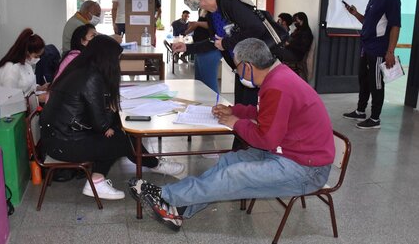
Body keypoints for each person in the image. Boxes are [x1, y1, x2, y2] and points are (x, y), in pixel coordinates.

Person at [128, 38, 335, 230]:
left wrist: (236, 124)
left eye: (237, 69)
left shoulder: (278, 86)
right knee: (229, 161)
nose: (238, 73)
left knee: (233, 174)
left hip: (307, 169)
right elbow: (265, 115)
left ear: (247, 66)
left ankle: (165, 196)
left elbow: (265, 139)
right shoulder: (277, 77)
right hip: (287, 152)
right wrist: (234, 111)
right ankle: (178, 210)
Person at [40, 35, 184, 200]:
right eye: (117, 57)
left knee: (118, 131)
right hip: (63, 144)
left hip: (58, 137)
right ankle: (101, 180)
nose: (117, 61)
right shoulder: (91, 77)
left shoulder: (80, 69)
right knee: (120, 139)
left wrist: (109, 114)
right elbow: (101, 123)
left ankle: (149, 165)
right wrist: (111, 111)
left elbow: (95, 116)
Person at [342, 0, 401, 129]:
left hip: (378, 49)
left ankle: (375, 119)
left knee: (376, 83)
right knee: (364, 80)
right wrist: (355, 13)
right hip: (366, 47)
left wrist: (390, 52)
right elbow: (368, 22)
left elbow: (395, 26)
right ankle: (361, 110)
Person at [0, 28, 49, 102]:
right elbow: (10, 99)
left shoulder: (26, 64)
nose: (38, 59)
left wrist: (40, 88)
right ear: (27, 52)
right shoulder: (11, 69)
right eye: (36, 56)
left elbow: (26, 85)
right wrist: (37, 99)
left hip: (25, 105)